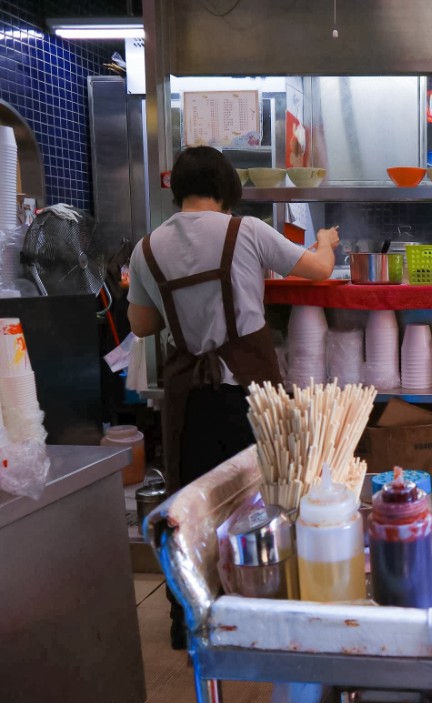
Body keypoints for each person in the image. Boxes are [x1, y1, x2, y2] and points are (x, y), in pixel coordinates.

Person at [127, 146, 339, 647]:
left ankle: (190, 621)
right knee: (258, 498)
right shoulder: (246, 230)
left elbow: (141, 324)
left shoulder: (147, 248)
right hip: (250, 390)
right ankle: (254, 615)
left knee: (190, 505)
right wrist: (326, 242)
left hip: (189, 394)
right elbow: (318, 271)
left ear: (178, 189)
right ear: (225, 190)